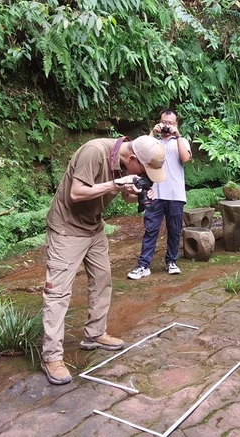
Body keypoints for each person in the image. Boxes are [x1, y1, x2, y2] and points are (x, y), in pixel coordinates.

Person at [41, 135, 166, 385]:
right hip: (67, 229)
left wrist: (138, 192)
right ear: (132, 159)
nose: (148, 175)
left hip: (94, 227)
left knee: (102, 280)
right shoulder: (94, 152)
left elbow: (125, 195)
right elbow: (77, 193)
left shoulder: (123, 162)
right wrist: (116, 184)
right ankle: (51, 357)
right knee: (58, 293)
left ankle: (94, 334)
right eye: (145, 171)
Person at [127, 109, 192, 280]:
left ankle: (171, 261)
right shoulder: (153, 142)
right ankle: (143, 265)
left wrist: (177, 136)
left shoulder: (182, 141)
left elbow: (185, 158)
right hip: (154, 192)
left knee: (175, 230)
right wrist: (152, 132)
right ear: (159, 122)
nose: (167, 126)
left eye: (171, 123)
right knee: (151, 229)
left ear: (176, 124)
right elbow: (141, 154)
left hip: (175, 193)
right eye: (164, 122)